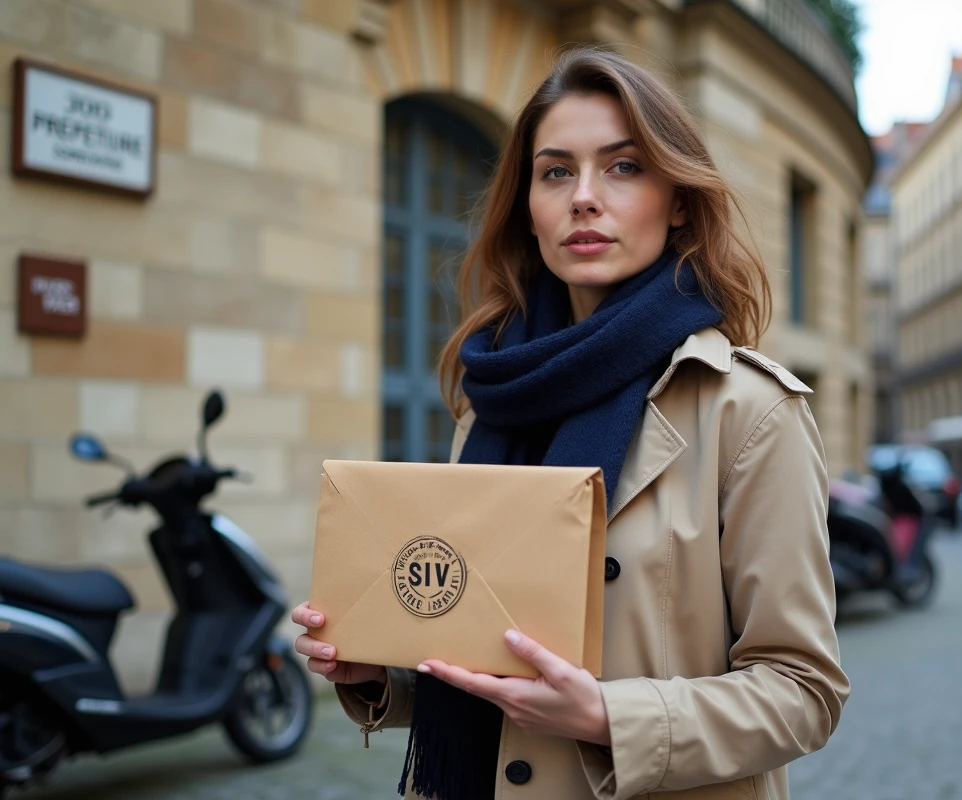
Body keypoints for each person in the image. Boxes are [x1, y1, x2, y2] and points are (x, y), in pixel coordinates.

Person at [292, 47, 848, 800]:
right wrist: (379, 670)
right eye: (556, 172)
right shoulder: (491, 399)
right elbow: (488, 659)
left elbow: (803, 691)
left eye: (623, 167)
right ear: (528, 204)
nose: (584, 197)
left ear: (678, 198)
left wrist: (607, 716)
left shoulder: (746, 411)